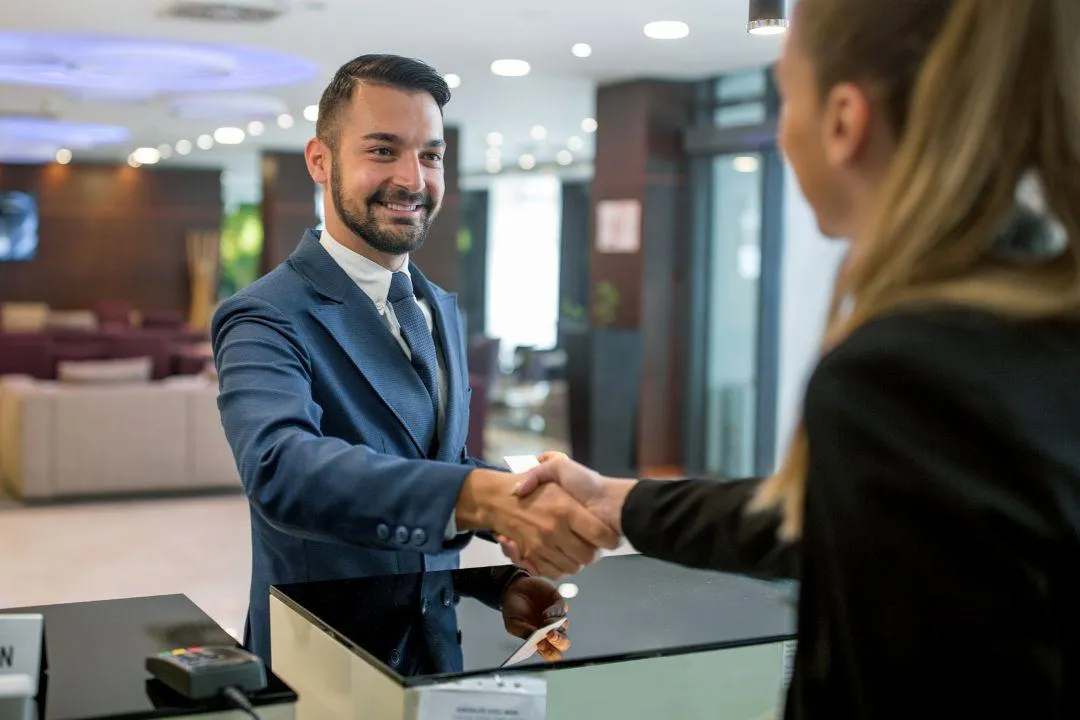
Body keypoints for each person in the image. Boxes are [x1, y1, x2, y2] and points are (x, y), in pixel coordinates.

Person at [510, 0, 1080, 717]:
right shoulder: (1032, 307)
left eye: (786, 92)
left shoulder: (907, 374)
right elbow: (835, 519)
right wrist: (617, 501)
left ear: (844, 119)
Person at [211, 54, 618, 665]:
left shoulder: (435, 305)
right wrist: (481, 496)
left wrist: (504, 549)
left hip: (435, 649)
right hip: (321, 660)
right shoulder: (265, 315)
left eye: (430, 155)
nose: (412, 178)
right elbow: (283, 470)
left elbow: (432, 462)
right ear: (320, 161)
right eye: (382, 151)